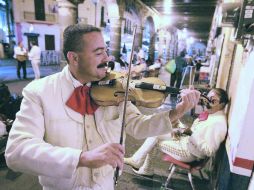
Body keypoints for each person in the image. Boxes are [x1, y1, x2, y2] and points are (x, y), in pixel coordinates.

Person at [5, 24, 200, 190]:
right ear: (74, 58)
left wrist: (177, 111)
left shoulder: (116, 89)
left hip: (106, 184)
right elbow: (16, 151)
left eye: (106, 51)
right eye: (99, 53)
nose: (107, 58)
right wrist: (80, 158)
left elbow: (138, 126)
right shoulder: (39, 92)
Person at [124, 88, 228, 177]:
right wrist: (179, 126)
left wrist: (190, 133)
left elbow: (209, 151)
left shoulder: (218, 123)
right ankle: (142, 166)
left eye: (213, 100)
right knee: (158, 131)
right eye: (209, 99)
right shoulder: (212, 114)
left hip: (189, 153)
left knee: (155, 139)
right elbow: (194, 133)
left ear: (222, 104)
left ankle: (142, 165)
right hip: (186, 143)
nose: (207, 102)